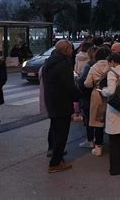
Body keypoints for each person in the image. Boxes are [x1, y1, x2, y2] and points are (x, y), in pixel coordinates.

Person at [42, 40, 76, 173]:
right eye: (71, 48)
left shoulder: (50, 61)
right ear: (66, 49)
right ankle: (55, 163)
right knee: (62, 133)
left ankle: (56, 152)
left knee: (55, 129)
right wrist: (77, 96)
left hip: (51, 101)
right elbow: (69, 85)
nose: (72, 51)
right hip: (62, 103)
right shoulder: (64, 63)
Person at [84, 46, 111, 157]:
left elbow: (87, 83)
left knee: (98, 121)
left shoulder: (93, 67)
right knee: (111, 119)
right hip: (111, 94)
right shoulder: (112, 66)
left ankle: (98, 146)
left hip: (97, 94)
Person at [76, 45, 99, 149]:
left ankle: (90, 140)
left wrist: (78, 81)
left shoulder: (89, 66)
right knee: (98, 119)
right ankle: (99, 141)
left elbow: (83, 82)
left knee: (89, 118)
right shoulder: (103, 65)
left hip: (88, 95)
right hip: (100, 94)